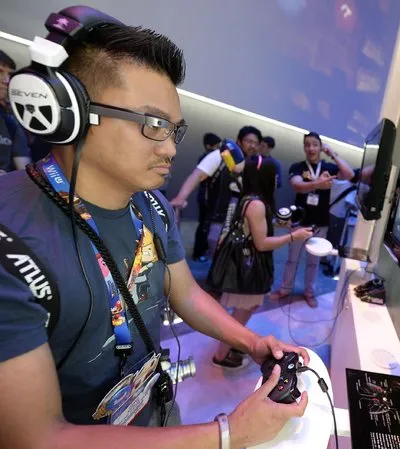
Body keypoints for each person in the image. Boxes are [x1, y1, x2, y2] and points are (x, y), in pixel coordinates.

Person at [0, 8, 308, 448]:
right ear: (70, 112)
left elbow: (184, 292)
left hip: (157, 417)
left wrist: (252, 340)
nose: (168, 147)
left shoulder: (151, 205)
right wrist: (227, 434)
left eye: (173, 129)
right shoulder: (10, 238)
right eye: (152, 124)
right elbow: (37, 437)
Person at [213, 157, 313, 368]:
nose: (277, 179)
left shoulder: (250, 199)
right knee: (240, 315)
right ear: (265, 176)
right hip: (248, 268)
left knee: (244, 311)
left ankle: (231, 346)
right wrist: (294, 236)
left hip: (246, 264)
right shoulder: (257, 204)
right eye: (275, 175)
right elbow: (262, 243)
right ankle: (221, 356)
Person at [271, 132, 354, 307]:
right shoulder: (298, 166)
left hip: (320, 222)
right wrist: (319, 184)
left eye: (315, 144)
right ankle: (285, 290)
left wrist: (332, 154)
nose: (311, 148)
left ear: (320, 147)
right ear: (304, 147)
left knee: (313, 262)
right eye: (307, 144)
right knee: (292, 259)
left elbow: (349, 174)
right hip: (299, 221)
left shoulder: (329, 167)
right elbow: (297, 186)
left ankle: (309, 292)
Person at [170, 126, 262, 261]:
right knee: (218, 249)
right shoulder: (221, 155)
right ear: (239, 141)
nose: (252, 146)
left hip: (245, 219)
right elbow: (197, 175)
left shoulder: (259, 163)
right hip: (219, 215)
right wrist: (180, 197)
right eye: (249, 141)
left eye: (256, 143)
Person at [0, 49, 31, 175]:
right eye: (0, 72)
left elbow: (24, 170)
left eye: (9, 75)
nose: (6, 81)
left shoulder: (10, 123)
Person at [192, 132, 222, 261]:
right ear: (208, 146)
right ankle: (199, 253)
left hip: (208, 198)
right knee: (205, 225)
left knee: (206, 225)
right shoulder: (208, 158)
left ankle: (203, 251)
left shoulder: (207, 156)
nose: (219, 149)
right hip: (207, 198)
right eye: (216, 146)